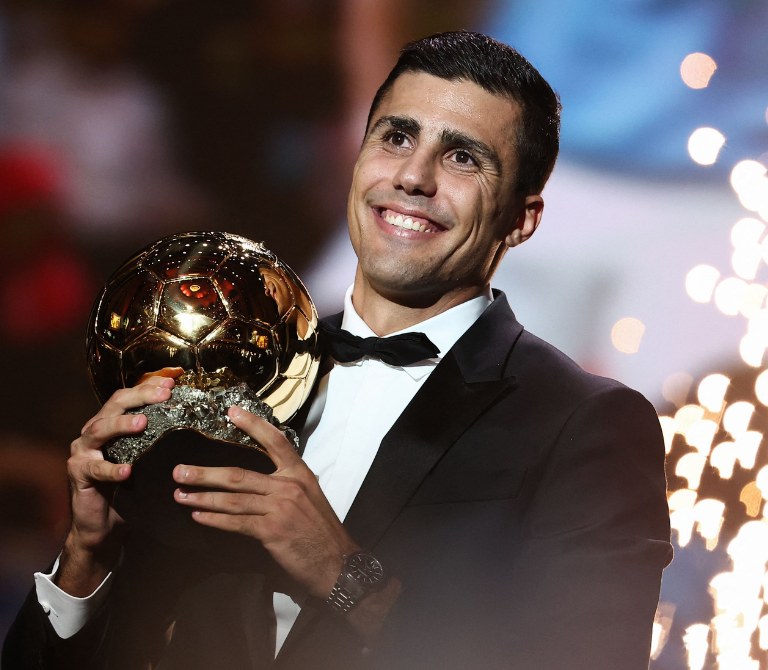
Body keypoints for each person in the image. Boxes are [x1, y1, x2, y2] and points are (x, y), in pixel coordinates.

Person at [2, 32, 672, 670]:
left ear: (522, 218)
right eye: (396, 137)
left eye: (463, 158)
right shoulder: (228, 372)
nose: (413, 176)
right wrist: (86, 559)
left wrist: (346, 575)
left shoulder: (586, 426)